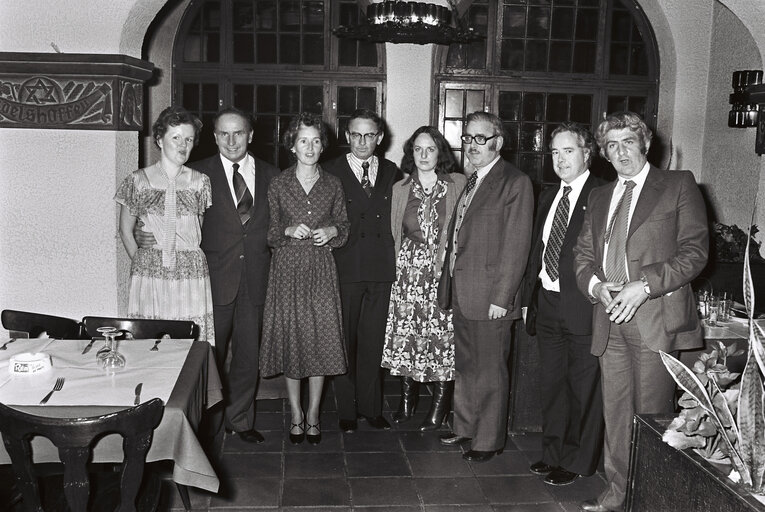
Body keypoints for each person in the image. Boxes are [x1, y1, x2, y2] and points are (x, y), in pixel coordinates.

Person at [573, 111, 708, 512]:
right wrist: (597, 286)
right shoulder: (599, 196)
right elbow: (582, 256)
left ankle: (650, 501)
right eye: (611, 146)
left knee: (650, 419)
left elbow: (695, 252)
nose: (620, 152)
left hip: (655, 321)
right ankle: (616, 495)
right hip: (609, 321)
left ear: (645, 144)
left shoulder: (677, 184)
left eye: (627, 142)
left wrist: (644, 285)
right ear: (603, 154)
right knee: (616, 417)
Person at [135, 106, 281, 443]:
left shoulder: (274, 175)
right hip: (209, 282)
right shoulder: (195, 175)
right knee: (206, 359)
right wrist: (147, 236)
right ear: (214, 137)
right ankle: (205, 425)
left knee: (248, 356)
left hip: (257, 279)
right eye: (223, 134)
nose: (231, 141)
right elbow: (165, 217)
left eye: (239, 132)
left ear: (251, 135)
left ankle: (240, 420)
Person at [437, 111, 533, 463]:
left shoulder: (514, 182)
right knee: (466, 366)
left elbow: (516, 245)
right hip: (463, 290)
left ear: (498, 142)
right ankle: (464, 427)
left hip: (492, 296)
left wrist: (502, 296)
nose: (472, 145)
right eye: (467, 138)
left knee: (491, 369)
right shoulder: (471, 180)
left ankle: (488, 440)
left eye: (481, 138)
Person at [521, 122, 605, 486]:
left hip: (583, 306)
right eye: (554, 152)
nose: (560, 159)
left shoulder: (602, 194)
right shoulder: (548, 195)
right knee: (552, 384)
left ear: (588, 153)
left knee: (582, 389)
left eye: (568, 151)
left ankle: (577, 460)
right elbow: (537, 252)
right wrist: (529, 300)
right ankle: (552, 452)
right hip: (548, 303)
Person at [259, 112, 349, 445]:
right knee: (293, 341)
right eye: (302, 141)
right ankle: (295, 413)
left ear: (322, 145)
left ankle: (313, 414)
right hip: (287, 269)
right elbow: (268, 232)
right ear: (292, 146)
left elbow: (345, 226)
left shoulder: (333, 184)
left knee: (320, 342)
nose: (309, 147)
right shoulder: (279, 183)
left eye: (315, 141)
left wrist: (332, 230)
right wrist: (285, 229)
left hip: (321, 270)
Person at [381, 126, 466, 431]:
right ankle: (407, 405)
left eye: (430, 149)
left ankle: (439, 409)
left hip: (442, 272)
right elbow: (394, 233)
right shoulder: (400, 189)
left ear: (440, 152)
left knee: (442, 341)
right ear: (410, 153)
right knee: (408, 337)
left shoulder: (458, 184)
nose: (424, 155)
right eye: (418, 149)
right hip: (407, 274)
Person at [324, 109, 402, 433]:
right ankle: (346, 410)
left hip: (382, 269)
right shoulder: (331, 172)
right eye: (356, 134)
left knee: (373, 341)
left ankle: (371, 407)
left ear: (380, 138)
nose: (362, 141)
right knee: (346, 341)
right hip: (345, 267)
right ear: (347, 137)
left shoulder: (393, 172)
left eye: (369, 135)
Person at [116, 106, 215, 342]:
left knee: (189, 338)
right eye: (176, 138)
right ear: (160, 140)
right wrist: (142, 262)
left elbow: (196, 228)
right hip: (150, 272)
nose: (183, 145)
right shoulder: (137, 181)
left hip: (190, 272)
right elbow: (125, 230)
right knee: (151, 339)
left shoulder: (200, 182)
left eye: (189, 139)